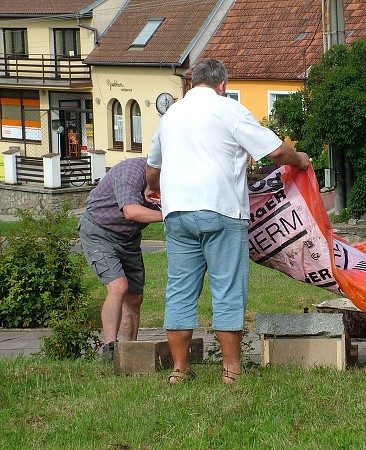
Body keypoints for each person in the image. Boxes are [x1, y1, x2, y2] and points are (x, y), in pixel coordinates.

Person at [145, 58, 310, 384]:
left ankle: (180, 370)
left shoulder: (171, 115)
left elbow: (153, 168)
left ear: (192, 83)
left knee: (179, 289)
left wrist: (153, 188)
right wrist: (301, 160)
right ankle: (231, 371)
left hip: (177, 212)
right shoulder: (228, 109)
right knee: (227, 289)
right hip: (221, 209)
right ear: (222, 85)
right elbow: (276, 152)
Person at [78, 157, 163, 360]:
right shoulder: (130, 173)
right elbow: (131, 211)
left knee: (135, 297)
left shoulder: (171, 178)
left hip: (129, 238)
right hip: (99, 231)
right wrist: (171, 214)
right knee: (118, 287)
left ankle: (129, 351)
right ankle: (110, 349)